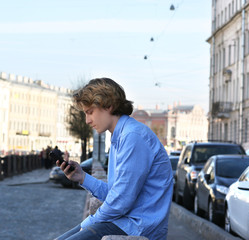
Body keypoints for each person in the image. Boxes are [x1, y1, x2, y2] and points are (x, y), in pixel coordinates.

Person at [55, 78, 173, 240]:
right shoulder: (120, 137)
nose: (87, 120)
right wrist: (82, 177)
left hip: (137, 227)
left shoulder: (132, 137)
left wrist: (88, 222)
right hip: (123, 222)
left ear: (108, 105)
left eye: (90, 112)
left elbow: (120, 201)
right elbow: (115, 194)